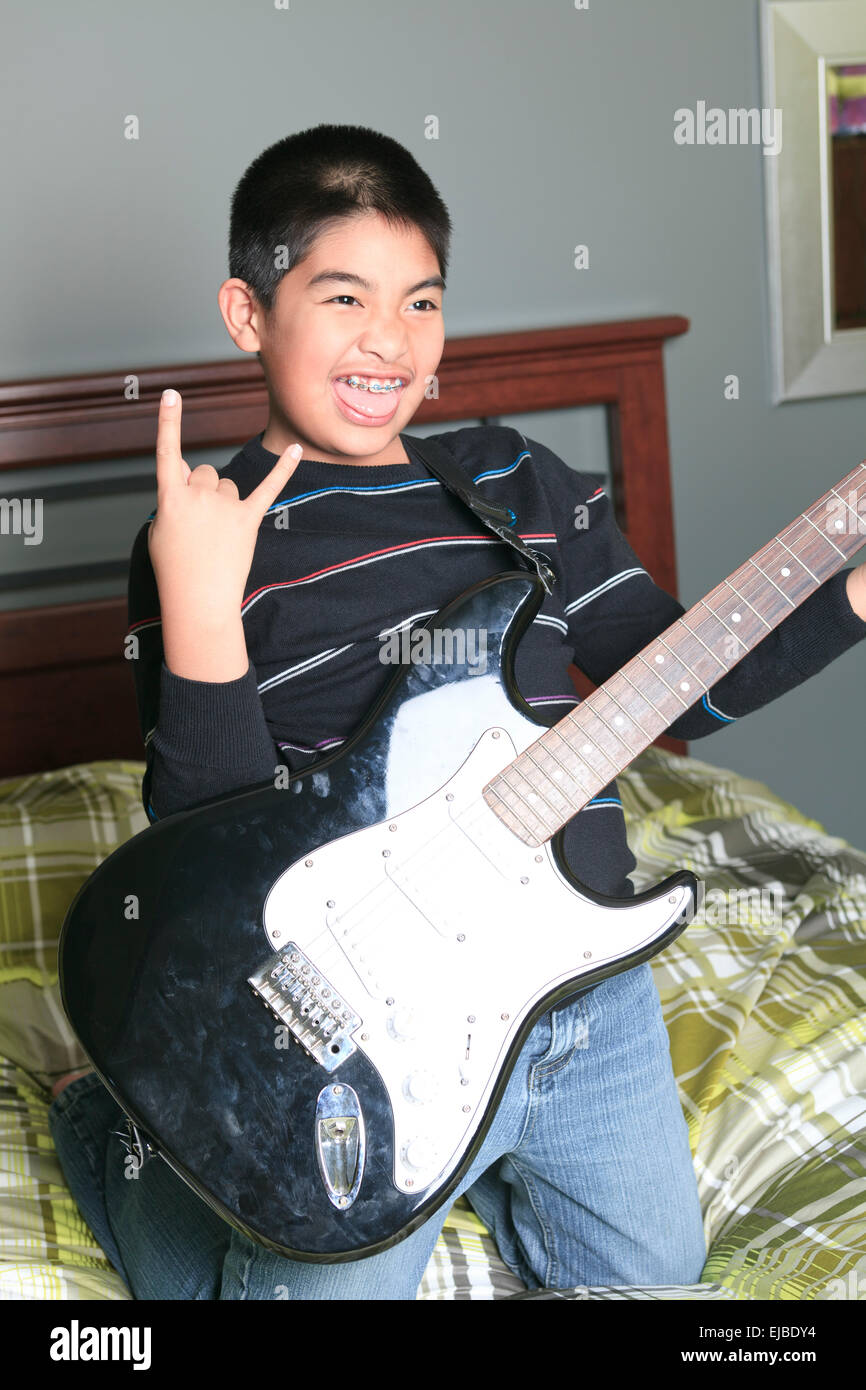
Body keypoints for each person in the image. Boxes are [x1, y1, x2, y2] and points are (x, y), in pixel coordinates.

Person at [49, 124, 866, 1301]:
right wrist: (197, 602)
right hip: (374, 1015)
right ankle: (110, 1134)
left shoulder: (513, 482)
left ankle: (491, 1148)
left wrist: (848, 590)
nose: (390, 340)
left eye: (421, 302)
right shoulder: (200, 528)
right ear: (247, 311)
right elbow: (209, 838)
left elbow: (695, 682)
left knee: (652, 1272)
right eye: (343, 297)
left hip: (572, 985)